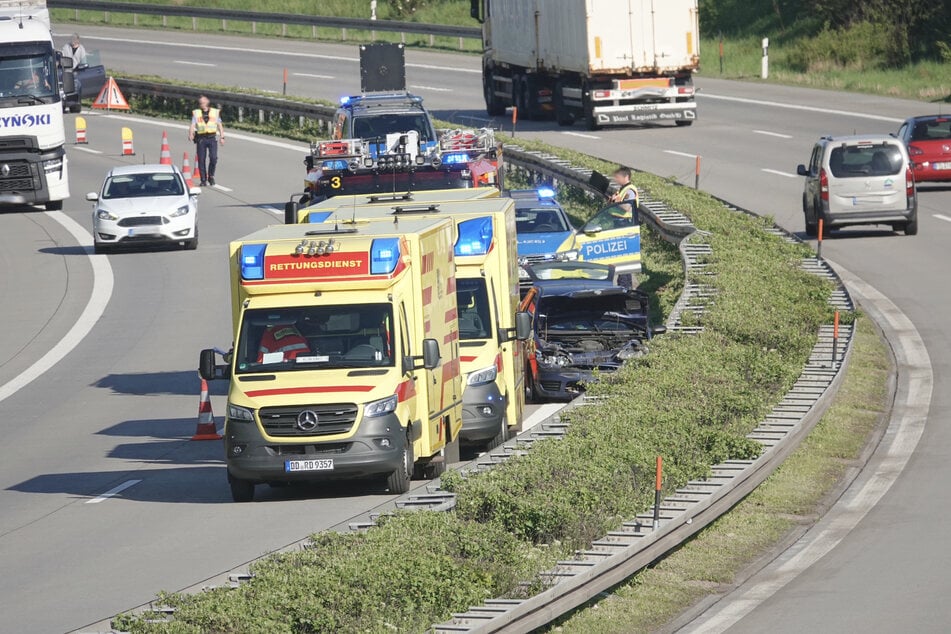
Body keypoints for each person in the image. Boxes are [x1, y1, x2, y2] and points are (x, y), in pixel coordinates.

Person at [187, 95, 225, 186]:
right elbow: (192, 125)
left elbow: (219, 125)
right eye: (200, 103)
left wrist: (222, 137)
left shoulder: (215, 112)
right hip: (201, 138)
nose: (202, 104)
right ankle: (203, 179)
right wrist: (191, 134)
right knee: (201, 159)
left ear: (207, 102)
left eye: (203, 102)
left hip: (212, 138)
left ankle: (211, 176)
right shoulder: (196, 113)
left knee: (213, 158)